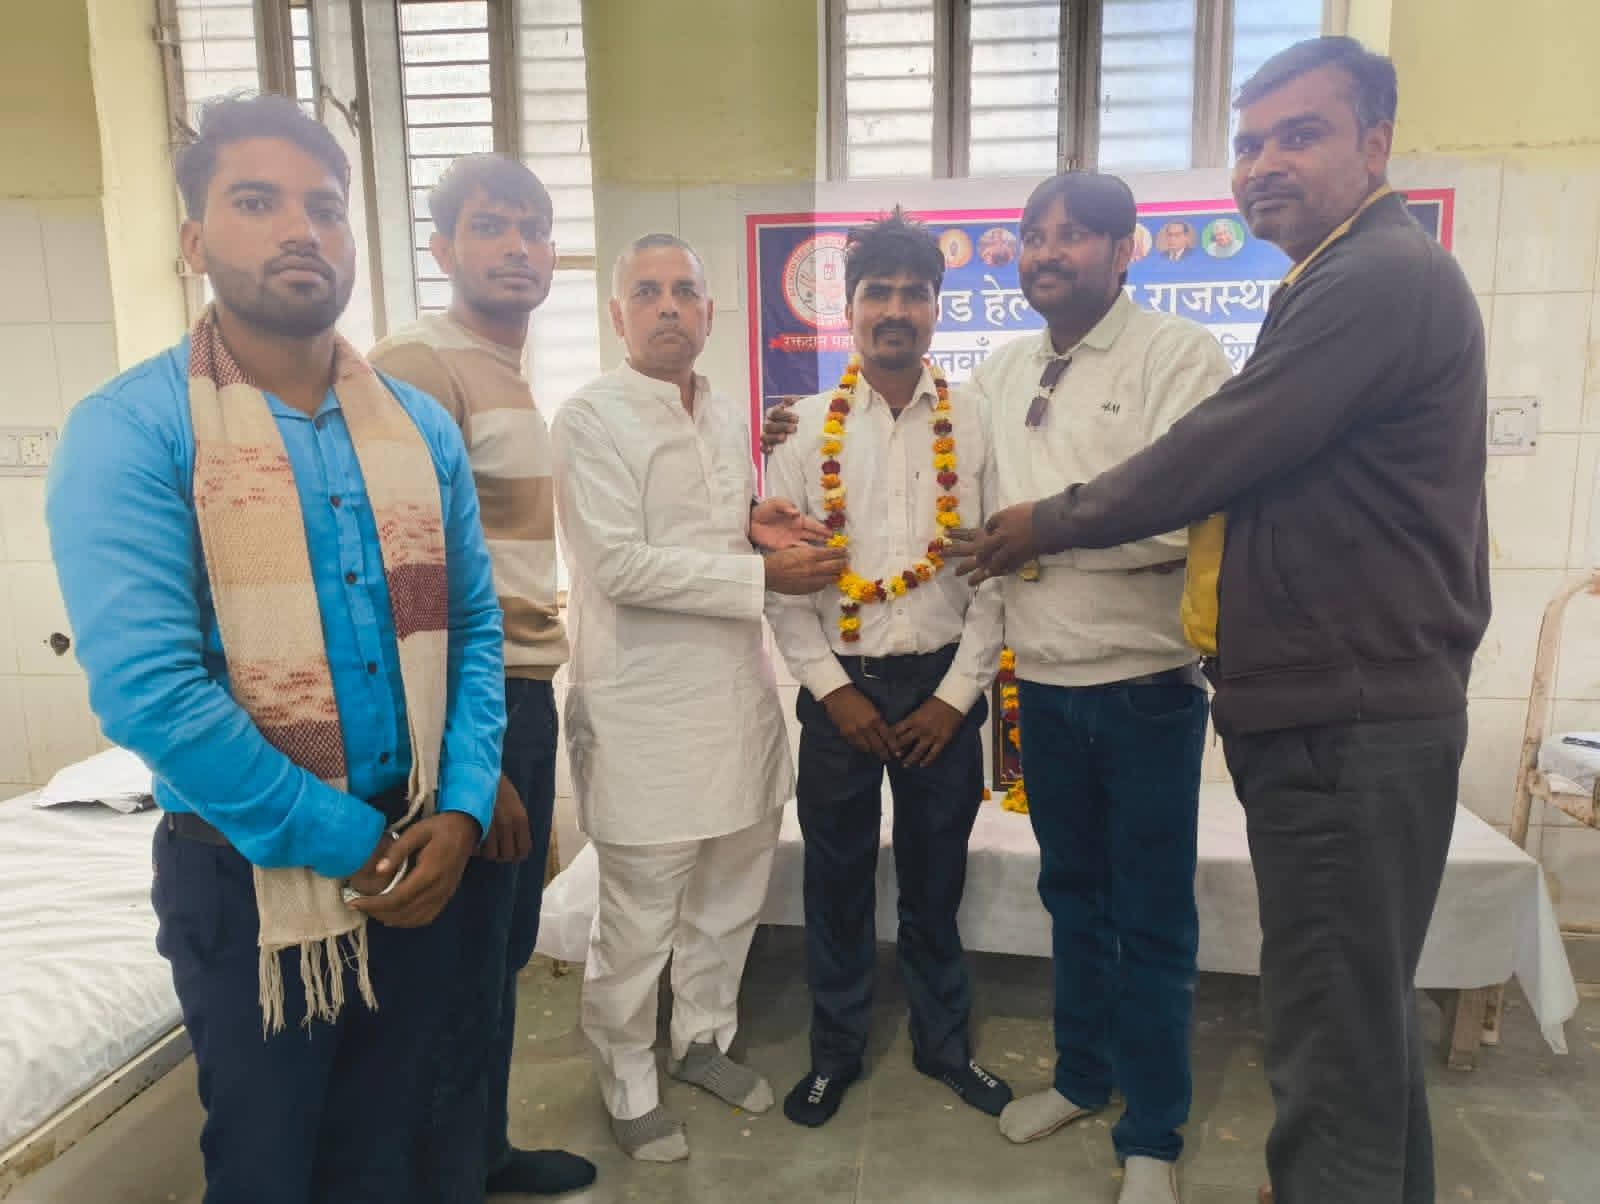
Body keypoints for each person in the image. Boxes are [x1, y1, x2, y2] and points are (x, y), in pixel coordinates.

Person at [960, 38, 1490, 1204]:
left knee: (1297, 1011)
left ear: (1374, 144)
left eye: (1299, 135)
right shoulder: (1008, 367)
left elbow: (1199, 475)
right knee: (1334, 1016)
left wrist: (1043, 527)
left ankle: (1169, 1135)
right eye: (1248, 143)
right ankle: (1108, 1087)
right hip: (1112, 685)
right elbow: (971, 495)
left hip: (1279, 702)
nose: (1263, 164)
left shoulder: (1359, 285)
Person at [45, 95, 505, 1204]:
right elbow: (153, 694)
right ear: (195, 240)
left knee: (389, 1152)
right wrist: (350, 840)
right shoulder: (134, 430)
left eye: (325, 208)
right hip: (248, 880)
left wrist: (462, 806)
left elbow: (475, 629)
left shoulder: (416, 429)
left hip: (417, 849)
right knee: (269, 1169)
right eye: (257, 202)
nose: (302, 230)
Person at [552, 233, 844, 1162]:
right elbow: (620, 565)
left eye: (685, 290)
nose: (669, 306)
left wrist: (755, 526)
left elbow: (701, 530)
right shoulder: (591, 416)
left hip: (736, 700)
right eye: (648, 291)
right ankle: (627, 1078)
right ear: (618, 314)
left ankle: (702, 1040)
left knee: (728, 897)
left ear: (711, 312)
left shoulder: (723, 413)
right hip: (642, 711)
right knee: (638, 922)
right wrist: (764, 577)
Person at [368, 154, 594, 1200]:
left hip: (520, 694)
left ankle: (481, 1153)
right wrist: (474, 764)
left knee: (498, 949)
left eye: (532, 228)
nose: (516, 247)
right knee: (457, 963)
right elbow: (401, 585)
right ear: (442, 247)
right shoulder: (419, 364)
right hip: (472, 705)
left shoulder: (502, 368)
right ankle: (444, 1175)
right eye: (490, 226)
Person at [763, 212, 1009, 1129]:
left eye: (914, 293)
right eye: (878, 293)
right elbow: (784, 581)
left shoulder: (976, 422)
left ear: (938, 308)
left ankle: (944, 1046)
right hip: (839, 689)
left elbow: (994, 571)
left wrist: (955, 698)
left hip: (943, 687)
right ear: (851, 308)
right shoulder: (802, 430)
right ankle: (835, 1053)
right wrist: (834, 694)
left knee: (936, 881)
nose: (895, 310)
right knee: (833, 881)